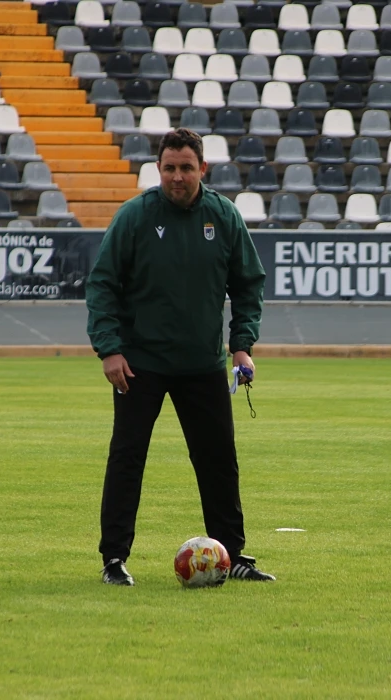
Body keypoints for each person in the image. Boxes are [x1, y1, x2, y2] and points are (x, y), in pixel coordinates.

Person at [85, 128, 275, 586]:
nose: (177, 176)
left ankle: (234, 555)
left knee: (218, 460)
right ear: (158, 169)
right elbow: (102, 284)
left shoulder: (224, 216)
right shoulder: (134, 217)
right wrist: (109, 350)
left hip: (202, 364)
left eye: (186, 167)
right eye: (169, 167)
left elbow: (248, 284)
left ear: (202, 169)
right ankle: (114, 559)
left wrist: (242, 343)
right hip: (139, 364)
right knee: (127, 458)